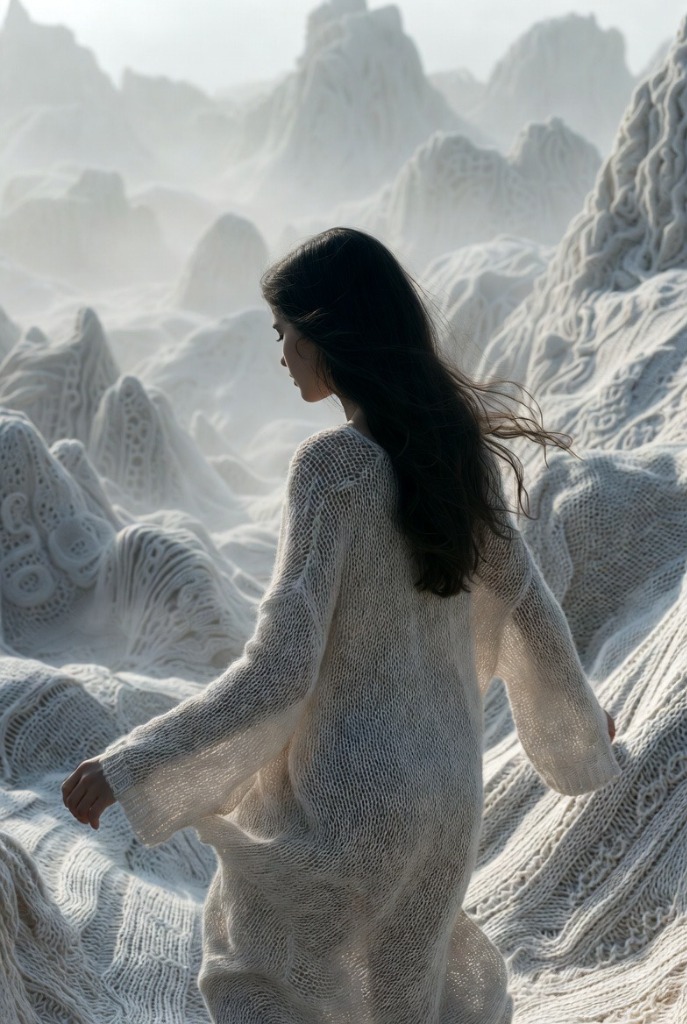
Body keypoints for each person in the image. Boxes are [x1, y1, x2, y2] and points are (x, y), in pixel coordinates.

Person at [63, 227, 620, 1024]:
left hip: (348, 800)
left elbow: (276, 673)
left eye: (284, 331)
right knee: (404, 1004)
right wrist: (579, 723)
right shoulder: (458, 459)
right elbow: (529, 608)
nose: (281, 353)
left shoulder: (331, 471)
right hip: (444, 802)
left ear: (328, 330)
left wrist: (129, 762)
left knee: (259, 979)